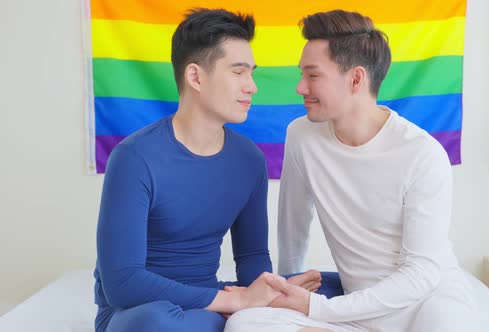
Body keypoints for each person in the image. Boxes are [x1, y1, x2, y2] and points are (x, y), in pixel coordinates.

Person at [225, 10, 476, 332]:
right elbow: (294, 223)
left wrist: (319, 307)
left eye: (313, 75)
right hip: (354, 310)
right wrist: (290, 289)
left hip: (426, 303)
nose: (301, 87)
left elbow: (422, 273)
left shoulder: (421, 153)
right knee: (245, 324)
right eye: (302, 74)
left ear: (356, 79)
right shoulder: (302, 135)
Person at [93, 8, 321, 332]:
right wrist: (233, 302)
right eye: (239, 72)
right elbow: (123, 284)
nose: (252, 86)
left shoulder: (249, 160)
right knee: (157, 322)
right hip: (137, 313)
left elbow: (252, 258)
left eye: (251, 73)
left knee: (328, 287)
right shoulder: (133, 158)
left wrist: (273, 292)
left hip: (206, 307)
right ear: (196, 77)